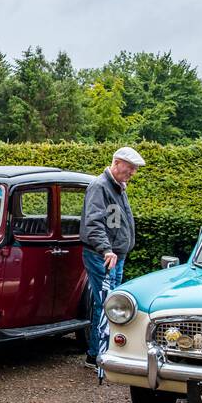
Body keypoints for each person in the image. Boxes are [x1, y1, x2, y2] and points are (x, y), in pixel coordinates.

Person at [82, 146, 143, 366]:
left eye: (134, 169)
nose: (133, 173)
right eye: (130, 168)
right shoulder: (100, 186)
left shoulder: (117, 187)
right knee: (106, 303)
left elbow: (112, 221)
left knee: (112, 303)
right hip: (104, 256)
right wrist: (106, 249)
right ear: (116, 163)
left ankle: (106, 351)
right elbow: (94, 222)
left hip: (115, 254)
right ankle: (96, 355)